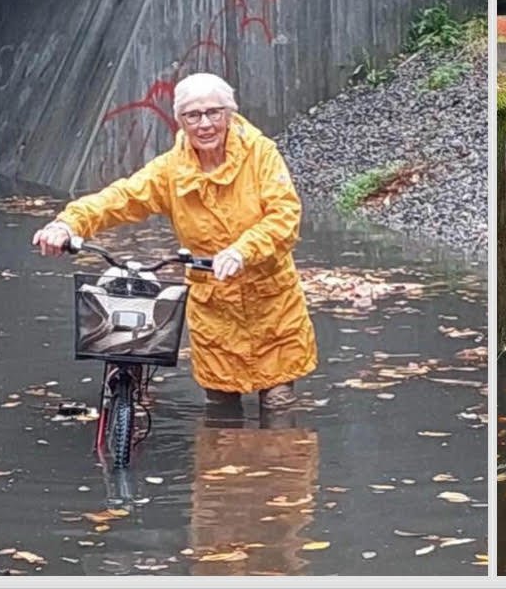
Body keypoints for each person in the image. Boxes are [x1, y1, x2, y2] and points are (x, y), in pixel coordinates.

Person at [32, 73, 317, 409]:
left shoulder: (261, 154)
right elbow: (121, 197)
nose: (205, 124)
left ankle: (280, 462)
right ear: (180, 121)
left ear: (230, 112)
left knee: (278, 403)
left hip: (270, 302)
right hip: (214, 308)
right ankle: (225, 460)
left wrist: (243, 250)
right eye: (193, 116)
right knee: (220, 406)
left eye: (214, 112)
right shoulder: (171, 169)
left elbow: (284, 216)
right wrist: (68, 223)